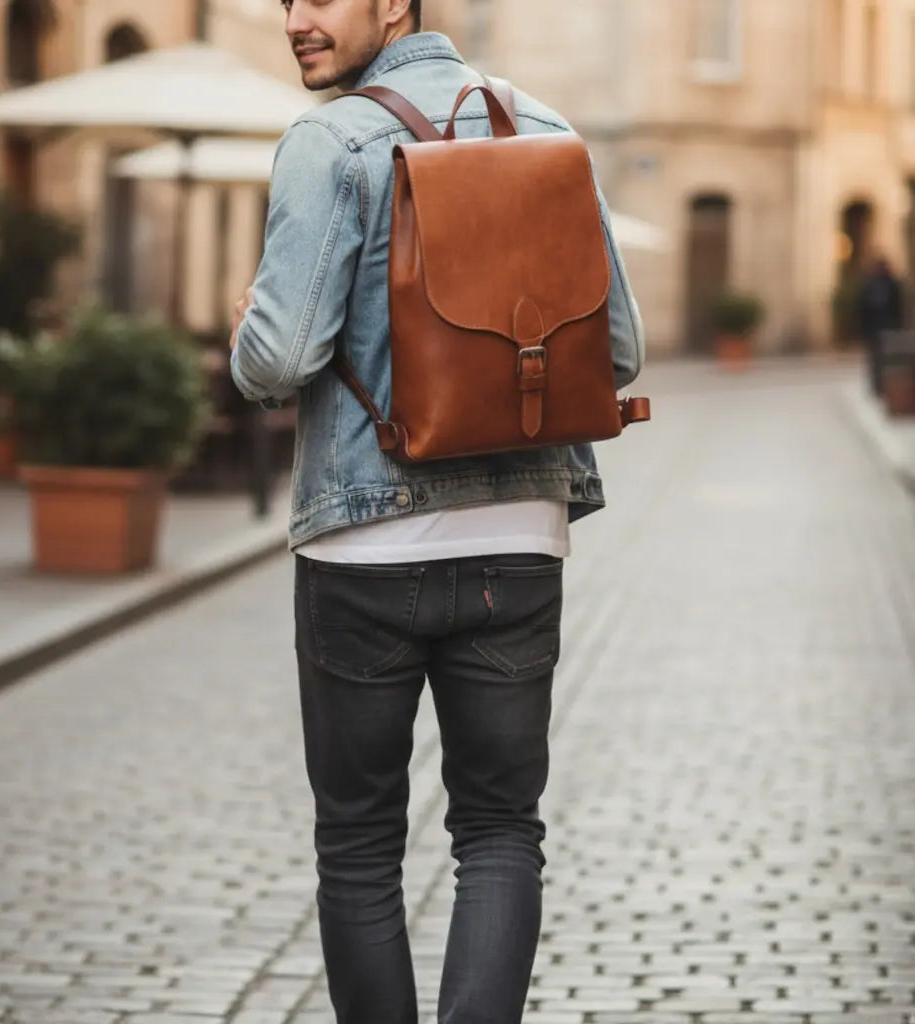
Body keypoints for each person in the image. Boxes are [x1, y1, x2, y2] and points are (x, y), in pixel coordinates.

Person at [229, 2, 644, 1021]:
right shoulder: (548, 134)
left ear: (394, 5)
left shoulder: (327, 142)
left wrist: (251, 328)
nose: (295, 19)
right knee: (500, 831)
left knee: (361, 841)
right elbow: (619, 352)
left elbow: (277, 362)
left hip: (361, 544)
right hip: (519, 543)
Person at [857, 257, 904, 395]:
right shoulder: (870, 285)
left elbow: (898, 306)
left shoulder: (893, 284)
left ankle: (887, 385)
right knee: (875, 359)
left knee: (888, 360)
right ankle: (877, 385)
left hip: (889, 328)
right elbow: (863, 309)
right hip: (874, 329)